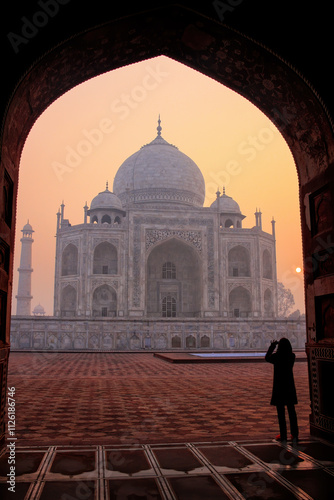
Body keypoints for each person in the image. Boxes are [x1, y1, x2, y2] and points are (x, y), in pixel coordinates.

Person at [265, 338, 299, 443]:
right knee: (291, 411)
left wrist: (272, 346)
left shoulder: (277, 357)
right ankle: (294, 434)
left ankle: (283, 435)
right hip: (289, 385)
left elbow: (267, 358)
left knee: (281, 413)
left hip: (279, 386)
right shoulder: (292, 356)